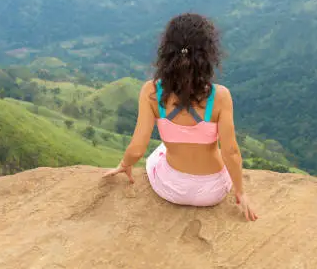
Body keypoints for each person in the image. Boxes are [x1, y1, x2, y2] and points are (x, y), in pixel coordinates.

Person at [104, 13, 258, 221]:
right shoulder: (220, 96)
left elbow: (138, 148)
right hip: (213, 191)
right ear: (208, 54)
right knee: (217, 150)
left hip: (171, 189)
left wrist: (124, 165)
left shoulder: (151, 92)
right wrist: (241, 193)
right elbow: (231, 152)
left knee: (158, 152)